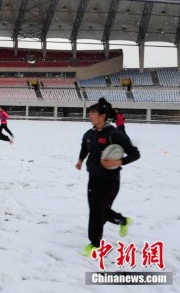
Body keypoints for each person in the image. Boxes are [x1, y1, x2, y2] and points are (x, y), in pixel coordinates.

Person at [75, 98, 140, 256]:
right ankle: (122, 221)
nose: (89, 115)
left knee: (97, 211)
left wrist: (120, 161)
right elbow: (85, 148)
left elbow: (135, 153)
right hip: (93, 178)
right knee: (98, 210)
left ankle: (95, 245)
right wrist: (80, 160)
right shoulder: (89, 134)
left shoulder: (114, 134)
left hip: (110, 181)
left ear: (103, 116)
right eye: (89, 112)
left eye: (93, 112)